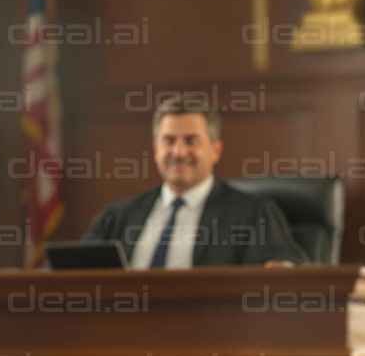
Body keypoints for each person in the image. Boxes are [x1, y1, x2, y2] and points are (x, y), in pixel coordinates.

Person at [82, 97, 308, 267]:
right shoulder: (118, 216)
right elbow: (70, 272)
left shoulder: (254, 214)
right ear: (155, 150)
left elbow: (284, 268)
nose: (179, 152)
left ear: (215, 150)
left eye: (191, 141)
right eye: (169, 141)